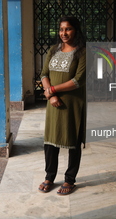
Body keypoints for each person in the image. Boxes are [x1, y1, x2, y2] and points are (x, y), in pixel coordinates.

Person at [38, 16, 86, 195]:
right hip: (54, 103)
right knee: (50, 140)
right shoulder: (53, 50)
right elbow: (44, 73)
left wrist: (51, 90)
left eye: (68, 29)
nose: (63, 33)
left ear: (76, 30)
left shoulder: (83, 52)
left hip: (73, 104)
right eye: (61, 29)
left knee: (72, 141)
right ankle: (49, 176)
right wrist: (51, 95)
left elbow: (77, 80)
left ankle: (70, 180)